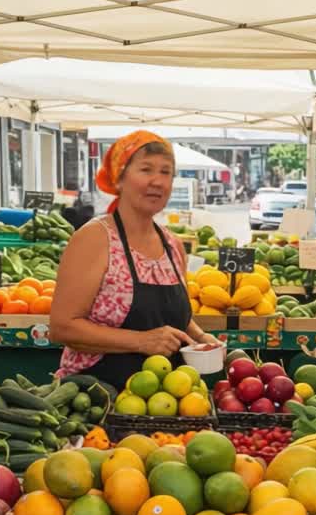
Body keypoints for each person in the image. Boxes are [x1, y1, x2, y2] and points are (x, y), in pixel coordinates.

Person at [49, 130, 219, 387]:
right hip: (96, 396)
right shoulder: (95, 239)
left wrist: (200, 337)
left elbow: (172, 318)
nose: (157, 181)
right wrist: (141, 341)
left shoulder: (172, 245)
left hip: (165, 398)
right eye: (146, 169)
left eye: (166, 172)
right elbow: (62, 328)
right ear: (119, 178)